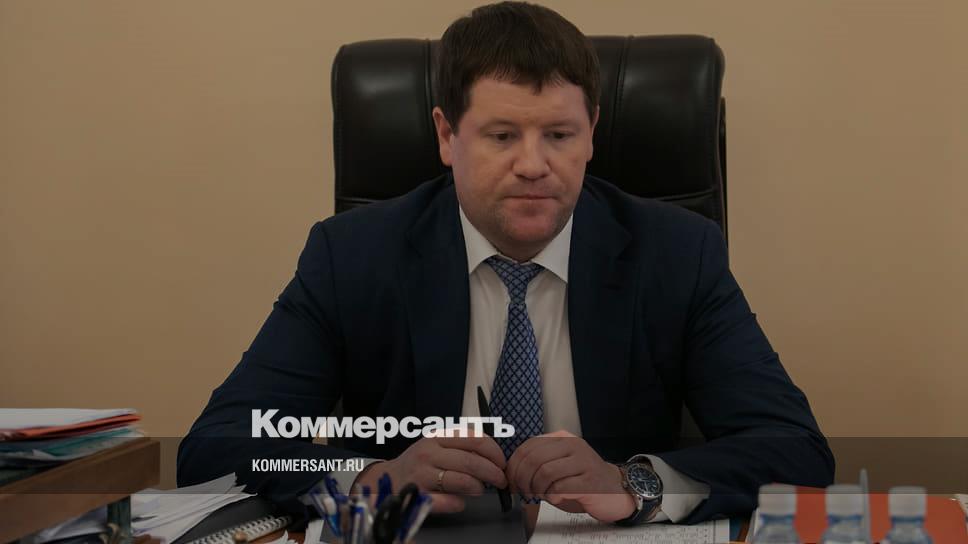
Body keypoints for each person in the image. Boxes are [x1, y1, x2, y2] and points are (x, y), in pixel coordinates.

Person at [178, 1, 834, 525]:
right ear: (446, 135)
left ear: (592, 132)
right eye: (501, 136)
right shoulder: (351, 255)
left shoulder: (677, 253)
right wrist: (372, 477)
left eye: (559, 134)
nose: (532, 164)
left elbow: (794, 448)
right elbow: (220, 444)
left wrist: (633, 483)